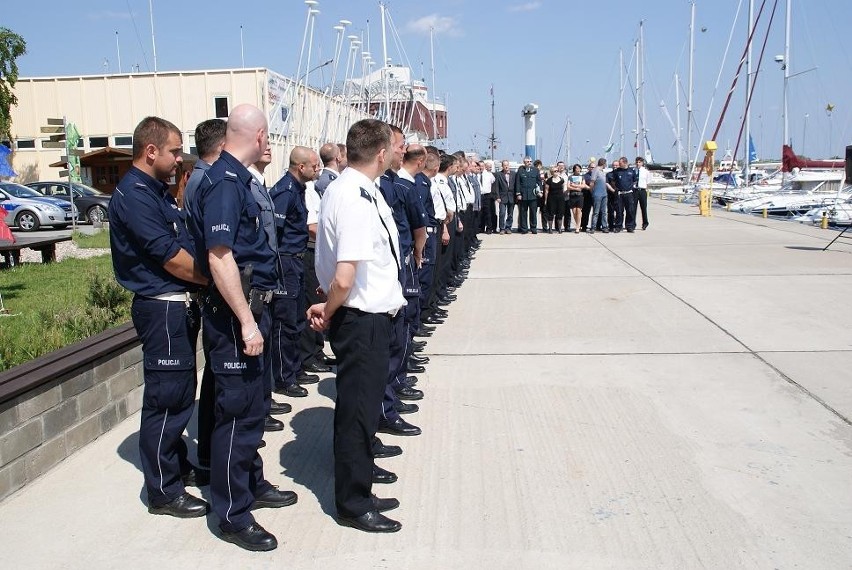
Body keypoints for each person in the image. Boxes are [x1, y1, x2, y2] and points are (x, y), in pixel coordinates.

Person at [185, 104, 296, 552]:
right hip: (236, 317)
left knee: (252, 408)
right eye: (269, 137)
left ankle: (250, 482)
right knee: (236, 414)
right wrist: (248, 322)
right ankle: (231, 513)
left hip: (253, 310)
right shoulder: (226, 184)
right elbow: (220, 256)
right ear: (261, 135)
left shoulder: (237, 179)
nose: (270, 144)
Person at [109, 116, 210, 520]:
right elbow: (169, 256)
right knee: (166, 399)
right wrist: (216, 279)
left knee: (181, 391)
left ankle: (176, 465)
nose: (178, 160)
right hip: (161, 307)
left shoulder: (157, 192)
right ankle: (163, 491)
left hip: (176, 307)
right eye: (173, 151)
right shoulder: (135, 195)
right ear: (150, 151)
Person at [307, 118, 405, 533]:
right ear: (381, 154)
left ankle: (359, 483)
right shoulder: (352, 195)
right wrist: (327, 310)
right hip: (361, 319)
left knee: (361, 411)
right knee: (357, 412)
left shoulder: (358, 189)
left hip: (369, 316)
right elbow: (344, 276)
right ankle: (352, 503)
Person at [269, 147, 321, 399]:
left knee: (298, 320)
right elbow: (274, 235)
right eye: (314, 165)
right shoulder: (285, 191)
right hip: (285, 263)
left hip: (297, 261)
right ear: (301, 167)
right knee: (285, 322)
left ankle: (295, 368)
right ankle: (283, 378)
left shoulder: (299, 190)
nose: (317, 169)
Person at [609, 156, 638, 232]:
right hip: (619, 194)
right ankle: (618, 226)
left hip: (629, 193)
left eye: (620, 163)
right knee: (619, 211)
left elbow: (634, 181)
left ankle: (630, 226)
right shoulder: (617, 171)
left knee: (630, 210)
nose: (619, 164)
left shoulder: (631, 171)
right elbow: (613, 181)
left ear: (625, 163)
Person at [513, 156, 540, 234]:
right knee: (523, 213)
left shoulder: (535, 170)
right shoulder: (520, 171)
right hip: (523, 195)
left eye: (530, 161)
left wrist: (540, 191)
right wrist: (518, 193)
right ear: (524, 162)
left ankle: (533, 228)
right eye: (527, 162)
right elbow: (517, 183)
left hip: (533, 195)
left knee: (533, 213)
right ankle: (524, 228)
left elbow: (539, 181)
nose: (529, 163)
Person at [543, 165, 567, 233]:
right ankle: (550, 229)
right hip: (551, 198)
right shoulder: (549, 180)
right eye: (555, 171)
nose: (556, 172)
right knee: (551, 213)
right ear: (552, 172)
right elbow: (546, 191)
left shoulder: (561, 180)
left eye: (557, 171)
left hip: (560, 198)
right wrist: (545, 200)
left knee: (560, 213)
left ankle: (559, 229)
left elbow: (563, 189)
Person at [589, 158, 609, 234]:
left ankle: (604, 226)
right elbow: (592, 182)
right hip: (597, 194)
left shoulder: (602, 172)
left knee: (604, 212)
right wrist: (592, 192)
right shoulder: (596, 170)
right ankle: (593, 227)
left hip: (604, 194)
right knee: (596, 212)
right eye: (605, 164)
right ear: (603, 164)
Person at [494, 159, 515, 233]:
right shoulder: (499, 174)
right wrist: (498, 197)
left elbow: (516, 185)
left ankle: (508, 227)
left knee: (510, 214)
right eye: (504, 165)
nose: (506, 166)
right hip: (502, 197)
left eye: (507, 165)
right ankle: (502, 228)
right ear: (502, 166)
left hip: (511, 197)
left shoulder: (513, 174)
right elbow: (496, 186)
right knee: (502, 213)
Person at [566, 163, 586, 234]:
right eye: (576, 168)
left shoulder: (582, 177)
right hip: (572, 195)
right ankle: (578, 224)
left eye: (579, 168)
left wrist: (574, 185)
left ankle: (577, 227)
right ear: (574, 169)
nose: (578, 170)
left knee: (579, 211)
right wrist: (577, 188)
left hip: (580, 196)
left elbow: (583, 185)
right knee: (574, 212)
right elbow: (568, 186)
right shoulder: (570, 177)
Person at [478, 160, 497, 233]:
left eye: (482, 166)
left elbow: (493, 181)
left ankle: (489, 228)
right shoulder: (477, 174)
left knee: (488, 212)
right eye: (480, 166)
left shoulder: (489, 174)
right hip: (480, 195)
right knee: (480, 212)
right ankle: (481, 228)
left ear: (484, 167)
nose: (481, 167)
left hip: (487, 195)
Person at [634, 156, 650, 230]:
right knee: (633, 208)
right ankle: (632, 223)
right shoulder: (633, 170)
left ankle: (645, 223)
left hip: (642, 191)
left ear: (642, 163)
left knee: (643, 208)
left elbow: (648, 181)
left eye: (639, 162)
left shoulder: (646, 171)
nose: (638, 163)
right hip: (635, 190)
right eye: (637, 162)